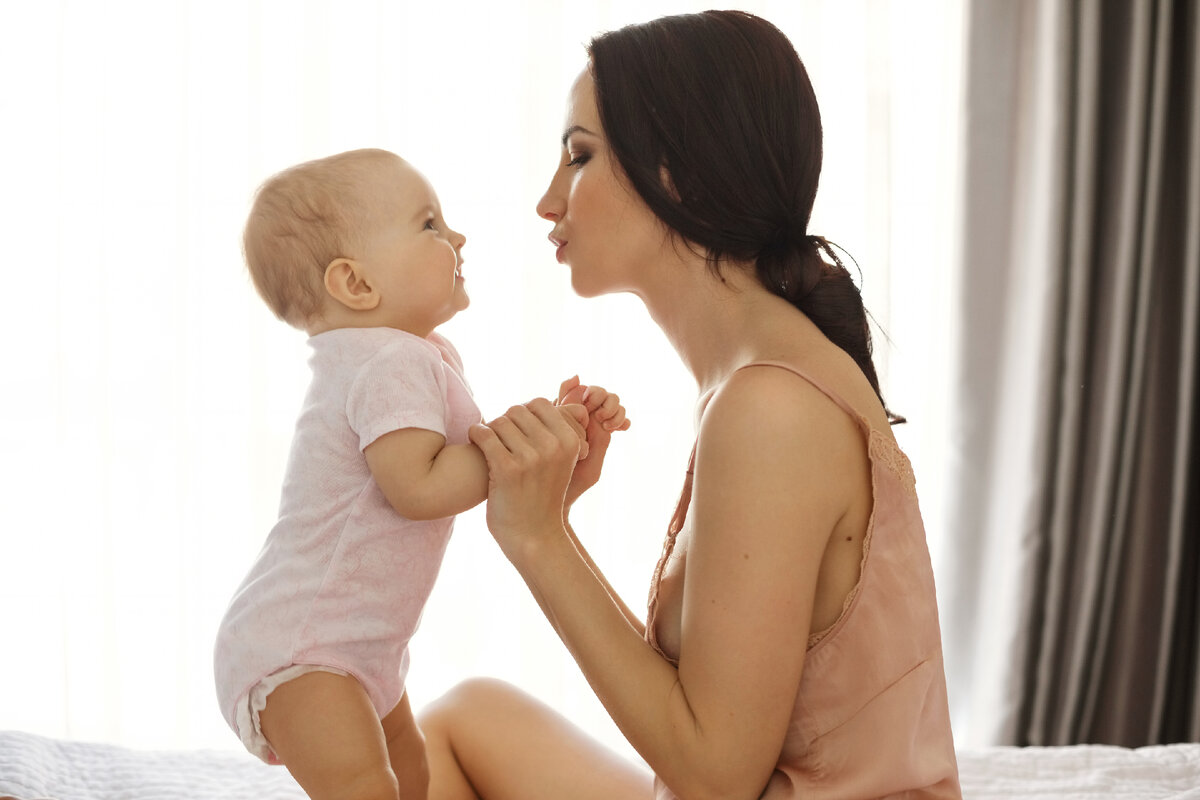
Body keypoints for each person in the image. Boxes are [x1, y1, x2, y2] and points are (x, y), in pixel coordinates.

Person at [418, 11, 961, 800]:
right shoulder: (759, 373)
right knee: (467, 716)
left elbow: (714, 775)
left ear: (677, 172)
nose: (546, 201)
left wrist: (537, 540)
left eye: (579, 156)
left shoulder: (771, 405)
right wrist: (552, 528)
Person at [212, 148, 628, 800]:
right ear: (355, 285)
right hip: (304, 649)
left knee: (411, 779)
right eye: (429, 224)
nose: (456, 236)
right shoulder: (387, 361)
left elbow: (472, 468)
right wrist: (530, 441)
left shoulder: (415, 354)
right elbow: (421, 488)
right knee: (365, 786)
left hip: (356, 648)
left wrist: (552, 445)